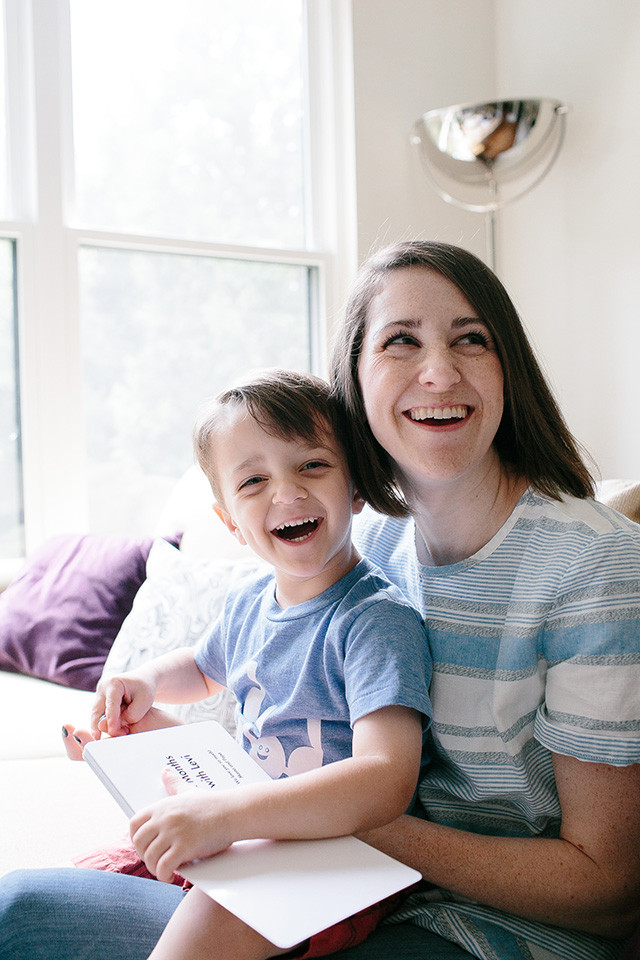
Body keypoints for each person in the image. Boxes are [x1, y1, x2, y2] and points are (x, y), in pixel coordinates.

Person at [1, 241, 640, 960]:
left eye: (471, 339)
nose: (438, 372)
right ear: (353, 381)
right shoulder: (357, 539)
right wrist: (168, 739)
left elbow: (608, 893)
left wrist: (302, 811)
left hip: (487, 930)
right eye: (402, 341)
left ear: (507, 368)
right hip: (318, 869)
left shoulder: (595, 565)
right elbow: (272, 711)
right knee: (18, 909)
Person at [27, 369, 432, 960]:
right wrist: (145, 683)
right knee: (113, 858)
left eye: (312, 466)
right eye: (254, 481)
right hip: (247, 819)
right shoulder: (249, 602)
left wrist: (225, 816)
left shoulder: (374, 621)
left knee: (214, 912)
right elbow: (204, 666)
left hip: (335, 856)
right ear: (230, 523)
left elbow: (386, 777)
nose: (286, 493)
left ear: (357, 487)